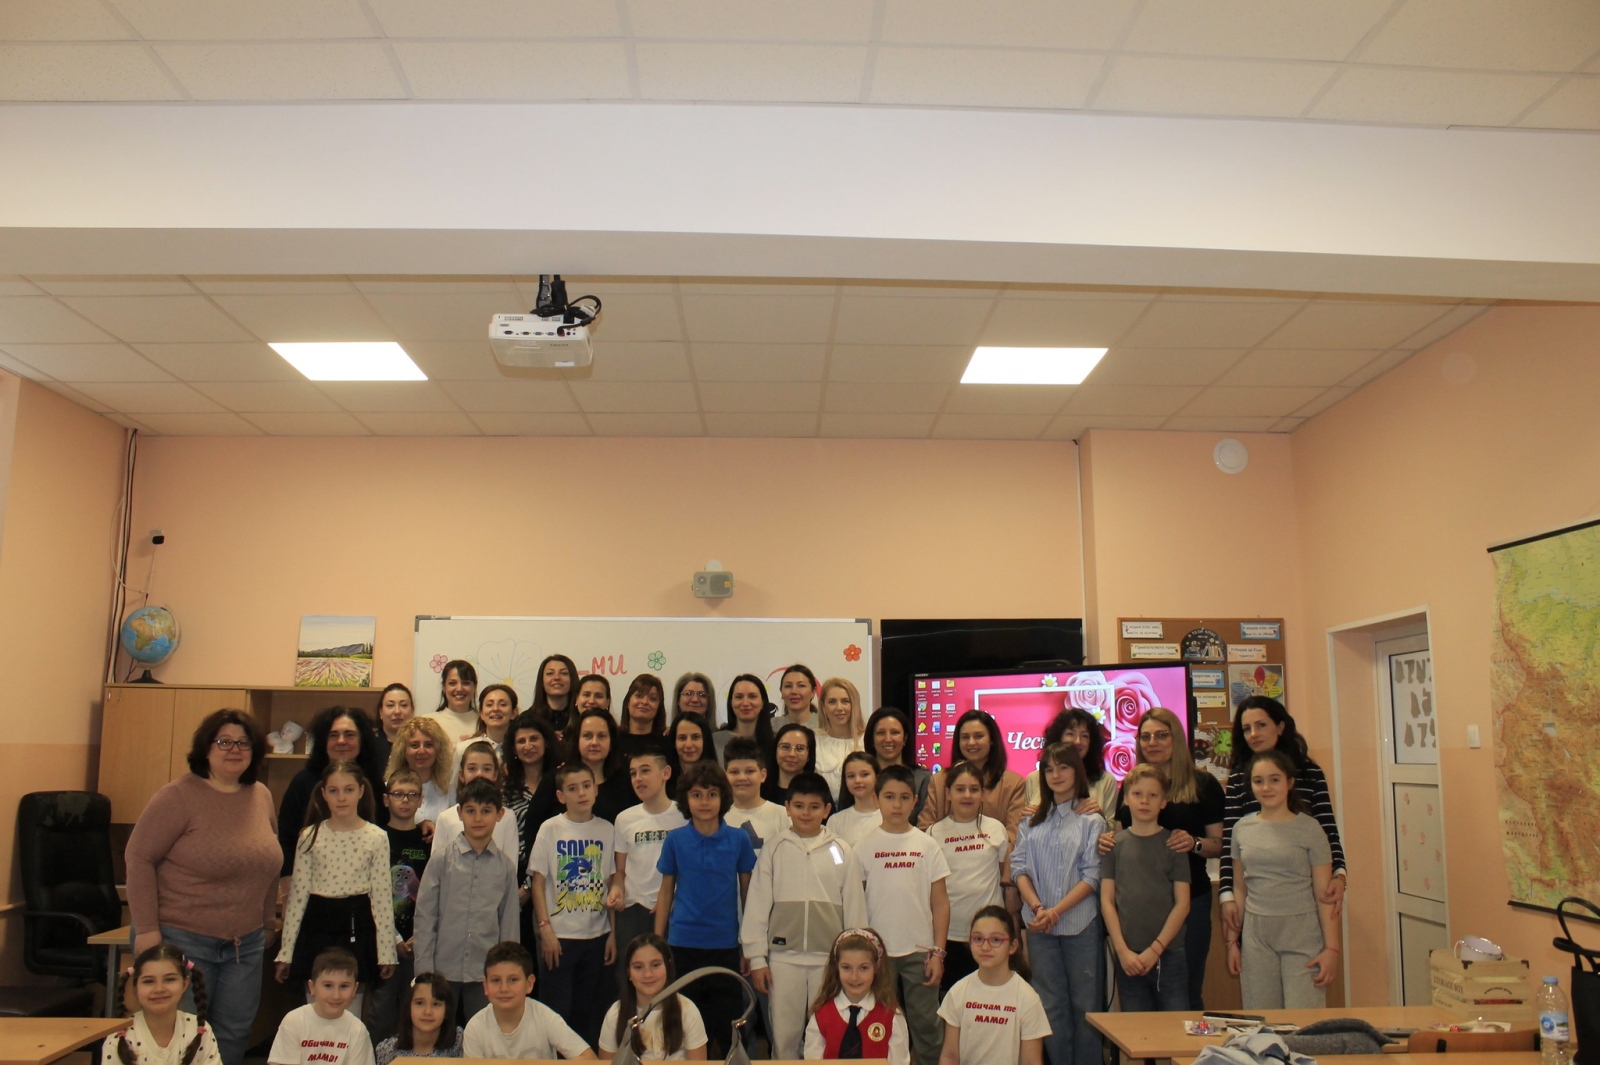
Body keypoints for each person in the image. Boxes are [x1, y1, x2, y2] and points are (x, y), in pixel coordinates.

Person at [125, 710, 280, 1065]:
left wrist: (267, 921)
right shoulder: (178, 796)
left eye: (243, 742)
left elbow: (269, 864)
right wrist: (146, 929)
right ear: (205, 748)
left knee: (234, 1033)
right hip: (181, 939)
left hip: (245, 944)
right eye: (224, 741)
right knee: (179, 1036)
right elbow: (138, 858)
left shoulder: (261, 795)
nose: (234, 749)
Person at [1101, 705, 1223, 1010]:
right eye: (1145, 737)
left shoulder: (1203, 784)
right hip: (1138, 910)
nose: (1152, 742)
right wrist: (1106, 840)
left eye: (1161, 735)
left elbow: (1221, 844)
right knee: (1139, 1004)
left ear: (1176, 738)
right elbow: (1120, 839)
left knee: (1185, 995)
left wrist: (1194, 843)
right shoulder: (1130, 785)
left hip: (1189, 902)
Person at [741, 772, 866, 1060]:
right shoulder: (774, 849)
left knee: (827, 1034)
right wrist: (757, 958)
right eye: (799, 806)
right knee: (784, 1037)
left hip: (829, 960)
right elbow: (757, 906)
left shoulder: (841, 851)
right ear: (787, 807)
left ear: (827, 810)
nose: (806, 813)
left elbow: (855, 907)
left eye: (814, 807)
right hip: (783, 959)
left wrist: (853, 959)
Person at [1220, 696, 1346, 942]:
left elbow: (1328, 831)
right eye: (1246, 729)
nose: (1254, 734)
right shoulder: (1238, 777)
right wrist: (1227, 895)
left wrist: (1339, 875)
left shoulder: (1309, 773)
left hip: (1304, 898)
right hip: (1257, 901)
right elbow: (1230, 842)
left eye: (1261, 725)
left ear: (1280, 726)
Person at [656, 762, 757, 1059]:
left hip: (725, 946)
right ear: (685, 799)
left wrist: (749, 944)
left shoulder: (738, 839)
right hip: (682, 944)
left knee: (728, 1027)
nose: (704, 802)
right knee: (684, 1026)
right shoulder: (675, 840)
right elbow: (666, 892)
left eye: (712, 794)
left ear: (723, 798)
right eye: (697, 795)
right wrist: (658, 941)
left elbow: (748, 894)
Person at [1226, 750, 1341, 1009]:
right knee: (1262, 1019)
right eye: (1258, 781)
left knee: (1304, 1019)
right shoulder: (1241, 829)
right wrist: (1232, 942)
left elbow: (1325, 895)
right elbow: (1239, 889)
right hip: (1256, 936)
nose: (1266, 787)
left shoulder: (1310, 829)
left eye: (1274, 780)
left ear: (1290, 782)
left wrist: (1332, 949)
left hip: (1302, 934)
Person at [1013, 743, 1103, 1065]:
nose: (1055, 775)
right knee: (1050, 1005)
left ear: (1077, 771)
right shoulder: (1030, 821)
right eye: (1049, 769)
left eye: (1063, 767)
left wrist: (1056, 911)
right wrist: (1039, 909)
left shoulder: (1092, 820)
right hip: (1040, 927)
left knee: (1086, 1005)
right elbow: (1018, 868)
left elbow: (1092, 876)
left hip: (1080, 924)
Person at [857, 764, 950, 1065]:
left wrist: (938, 952)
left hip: (920, 951)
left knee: (927, 1026)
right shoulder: (863, 847)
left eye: (904, 797)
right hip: (877, 953)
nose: (897, 804)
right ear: (876, 799)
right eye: (889, 797)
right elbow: (856, 903)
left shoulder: (927, 845)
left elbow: (940, 903)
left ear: (915, 801)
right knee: (877, 1024)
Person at [276, 761, 398, 988]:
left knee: (351, 997)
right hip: (316, 928)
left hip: (357, 927)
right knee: (317, 997)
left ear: (361, 791)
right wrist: (286, 952)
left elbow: (381, 899)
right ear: (324, 794)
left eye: (348, 790)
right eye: (334, 791)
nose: (341, 797)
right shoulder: (309, 836)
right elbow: (297, 898)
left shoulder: (377, 837)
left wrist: (386, 952)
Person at [412, 778, 520, 1023]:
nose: (478, 818)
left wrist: (506, 973)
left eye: (486, 811)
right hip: (442, 968)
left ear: (499, 814)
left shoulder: (505, 868)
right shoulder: (441, 860)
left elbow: (509, 925)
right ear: (460, 813)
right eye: (471, 811)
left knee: (483, 1033)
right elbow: (425, 917)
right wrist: (424, 972)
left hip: (486, 972)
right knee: (440, 1032)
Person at [529, 763, 618, 1047]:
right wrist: (545, 929)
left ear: (595, 789)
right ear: (560, 795)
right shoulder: (550, 829)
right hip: (559, 938)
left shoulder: (607, 830)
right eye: (572, 788)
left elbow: (612, 883)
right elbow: (538, 883)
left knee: (589, 1014)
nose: (581, 793)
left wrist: (613, 934)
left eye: (586, 786)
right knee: (557, 1014)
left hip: (597, 936)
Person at [1100, 763, 1191, 1012]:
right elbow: (1107, 901)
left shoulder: (1174, 844)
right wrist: (1121, 950)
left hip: (1169, 952)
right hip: (1128, 954)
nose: (1144, 801)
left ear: (1163, 801)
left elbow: (1183, 904)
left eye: (1153, 795)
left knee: (1175, 1025)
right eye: (1138, 794)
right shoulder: (1113, 845)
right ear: (1126, 799)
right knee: (1137, 1027)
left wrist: (1156, 949)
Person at [926, 761, 1008, 994]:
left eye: (974, 789)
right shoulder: (933, 833)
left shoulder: (996, 829)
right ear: (948, 793)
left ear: (983, 793)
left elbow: (1004, 873)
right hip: (948, 935)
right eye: (960, 789)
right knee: (953, 1001)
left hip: (989, 935)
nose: (967, 795)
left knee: (990, 999)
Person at [609, 751, 687, 994]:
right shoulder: (625, 819)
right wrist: (616, 889)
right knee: (630, 983)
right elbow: (619, 870)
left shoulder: (684, 815)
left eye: (645, 771)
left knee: (671, 980)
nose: (638, 779)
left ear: (666, 773)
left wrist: (674, 898)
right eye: (633, 773)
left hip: (673, 909)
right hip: (634, 910)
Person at [279, 707, 387, 874]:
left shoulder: (374, 783)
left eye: (349, 734)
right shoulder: (303, 782)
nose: (341, 741)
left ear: (362, 740)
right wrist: (287, 878)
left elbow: (386, 827)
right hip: (309, 878)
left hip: (363, 878)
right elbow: (286, 836)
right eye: (333, 735)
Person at [935, 906, 1048, 1065]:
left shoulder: (1027, 998)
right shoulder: (958, 992)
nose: (985, 947)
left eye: (995, 940)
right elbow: (949, 1056)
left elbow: (1031, 1062)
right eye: (978, 939)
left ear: (1012, 946)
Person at [366, 769, 430, 1043]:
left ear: (421, 800)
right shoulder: (374, 838)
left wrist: (421, 935)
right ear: (385, 799)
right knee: (380, 1017)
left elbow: (433, 894)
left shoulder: (429, 841)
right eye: (398, 794)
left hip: (419, 942)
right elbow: (369, 893)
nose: (405, 800)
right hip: (382, 941)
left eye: (412, 794)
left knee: (415, 1015)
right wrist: (392, 938)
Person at [462, 941, 595, 1059]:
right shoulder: (475, 1028)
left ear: (529, 983)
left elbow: (588, 1058)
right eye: (496, 980)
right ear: (485, 986)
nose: (504, 988)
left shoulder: (545, 1017)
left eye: (513, 980)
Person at [803, 927, 909, 1065]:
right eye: (846, 968)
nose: (854, 977)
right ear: (837, 967)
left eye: (863, 968)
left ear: (877, 966)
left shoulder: (891, 1016)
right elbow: (812, 1061)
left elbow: (900, 1062)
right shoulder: (821, 1015)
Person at [917, 711, 1026, 844]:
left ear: (992, 740)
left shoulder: (1013, 784)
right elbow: (924, 831)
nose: (971, 742)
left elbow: (1014, 838)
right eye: (965, 737)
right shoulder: (939, 781)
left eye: (979, 736)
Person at [103, 943, 222, 1065]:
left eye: (169, 979)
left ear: (184, 984)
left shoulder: (200, 1030)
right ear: (135, 988)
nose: (159, 989)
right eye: (149, 981)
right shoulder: (119, 1037)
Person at [600, 934, 709, 1061]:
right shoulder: (615, 1014)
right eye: (638, 967)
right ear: (628, 971)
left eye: (655, 965)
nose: (648, 974)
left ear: (668, 966)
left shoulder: (687, 1010)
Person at [503, 712, 561, 946]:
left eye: (534, 739)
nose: (528, 746)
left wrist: (530, 884)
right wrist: (523, 883)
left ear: (546, 742)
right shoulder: (506, 789)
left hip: (557, 874)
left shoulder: (562, 782)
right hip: (516, 877)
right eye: (521, 741)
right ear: (513, 748)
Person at [268, 948, 375, 1065]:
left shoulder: (358, 1031)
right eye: (328, 986)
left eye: (344, 986)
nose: (336, 995)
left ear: (355, 989)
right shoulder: (294, 1021)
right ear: (312, 987)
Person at [1021, 709, 1119, 829]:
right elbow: (1025, 828)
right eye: (1070, 734)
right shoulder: (1034, 779)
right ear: (1058, 738)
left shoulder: (1105, 780)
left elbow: (1113, 830)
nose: (1077, 741)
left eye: (1084, 736)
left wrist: (1099, 816)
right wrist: (1026, 819)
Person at [429, 741, 517, 860]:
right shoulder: (445, 818)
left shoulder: (507, 817)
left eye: (486, 769)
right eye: (472, 769)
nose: (479, 774)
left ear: (495, 775)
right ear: (462, 775)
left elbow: (510, 866)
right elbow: (437, 865)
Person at [373, 971, 462, 1065]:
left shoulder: (459, 1042)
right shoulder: (388, 1051)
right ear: (408, 1007)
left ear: (447, 1011)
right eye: (420, 1003)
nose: (428, 1012)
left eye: (436, 1004)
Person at [721, 736, 789, 855]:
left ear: (763, 775)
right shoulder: (719, 819)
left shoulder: (783, 815)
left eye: (750, 771)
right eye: (734, 772)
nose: (742, 778)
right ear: (724, 776)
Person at [569, 707, 639, 824]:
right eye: (587, 736)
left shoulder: (627, 782)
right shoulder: (557, 780)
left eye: (601, 736)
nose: (594, 742)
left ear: (611, 743)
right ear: (577, 741)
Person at [863, 708, 931, 824]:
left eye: (895, 732)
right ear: (872, 740)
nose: (888, 739)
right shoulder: (861, 778)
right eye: (881, 733)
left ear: (905, 738)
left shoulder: (923, 779)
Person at [386, 717, 454, 826]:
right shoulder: (389, 789)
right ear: (403, 751)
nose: (421, 751)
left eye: (428, 745)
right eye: (414, 745)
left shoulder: (449, 791)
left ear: (438, 750)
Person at [814, 677, 866, 800]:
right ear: (823, 707)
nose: (839, 708)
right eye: (832, 702)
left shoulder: (868, 740)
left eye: (845, 701)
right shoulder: (813, 740)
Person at [713, 674, 775, 764]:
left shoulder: (777, 742)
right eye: (739, 697)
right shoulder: (714, 741)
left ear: (763, 703)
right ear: (731, 702)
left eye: (752, 696)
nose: (745, 703)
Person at [827, 751, 882, 847]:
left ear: (877, 778)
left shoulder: (891, 815)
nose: (857, 780)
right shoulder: (836, 821)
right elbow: (832, 852)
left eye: (864, 774)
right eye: (851, 776)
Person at [762, 722, 821, 807]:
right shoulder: (760, 790)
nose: (792, 754)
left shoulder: (819, 790)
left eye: (800, 748)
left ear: (809, 756)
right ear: (775, 751)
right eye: (785, 747)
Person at [618, 674, 670, 762]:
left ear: (659, 707)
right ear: (627, 702)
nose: (645, 702)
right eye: (639, 696)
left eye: (652, 698)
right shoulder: (613, 739)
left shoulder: (667, 742)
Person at [427, 660, 478, 746]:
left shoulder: (485, 722)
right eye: (452, 683)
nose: (459, 689)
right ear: (444, 687)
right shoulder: (428, 722)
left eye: (466, 683)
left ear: (474, 687)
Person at [665, 713, 715, 796]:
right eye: (682, 738)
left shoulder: (719, 781)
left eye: (695, 737)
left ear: (705, 741)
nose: (688, 745)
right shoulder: (662, 782)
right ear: (674, 742)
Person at [460, 684, 515, 758]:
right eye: (489, 705)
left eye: (503, 704)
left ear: (513, 713)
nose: (495, 709)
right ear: (481, 713)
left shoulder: (521, 749)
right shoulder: (464, 748)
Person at [373, 683, 416, 774]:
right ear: (380, 712)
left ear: (412, 710)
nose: (397, 711)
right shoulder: (369, 744)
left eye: (403, 705)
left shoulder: (421, 744)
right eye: (390, 705)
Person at [530, 654, 578, 733]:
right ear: (542, 680)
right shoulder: (528, 719)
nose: (557, 678)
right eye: (550, 673)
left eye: (564, 673)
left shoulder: (582, 718)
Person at [565, 674, 613, 740]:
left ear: (607, 702)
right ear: (577, 699)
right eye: (586, 695)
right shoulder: (562, 737)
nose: (591, 701)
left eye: (598, 696)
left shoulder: (619, 738)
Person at [775, 665, 819, 731]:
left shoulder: (827, 725)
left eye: (801, 686)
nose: (794, 691)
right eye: (788, 686)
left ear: (813, 692)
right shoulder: (771, 727)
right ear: (781, 691)